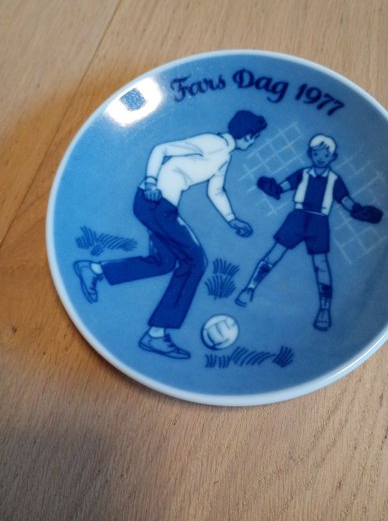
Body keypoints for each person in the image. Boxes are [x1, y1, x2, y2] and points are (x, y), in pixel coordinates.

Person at [74, 110, 267, 359]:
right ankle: (156, 335)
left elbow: (216, 191)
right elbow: (162, 149)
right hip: (155, 203)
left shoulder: (224, 156)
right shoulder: (213, 142)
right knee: (195, 262)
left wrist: (232, 220)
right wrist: (151, 182)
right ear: (248, 135)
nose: (253, 142)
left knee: (163, 262)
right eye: (255, 137)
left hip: (161, 207)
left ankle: (94, 269)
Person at [235, 134, 382, 331]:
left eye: (326, 155)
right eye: (316, 153)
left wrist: (358, 210)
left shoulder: (334, 180)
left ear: (333, 157)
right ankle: (250, 288)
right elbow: (284, 186)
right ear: (310, 154)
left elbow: (344, 199)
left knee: (321, 264)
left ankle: (324, 309)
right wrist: (273, 188)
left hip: (318, 222)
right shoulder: (303, 173)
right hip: (297, 217)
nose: (321, 158)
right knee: (274, 253)